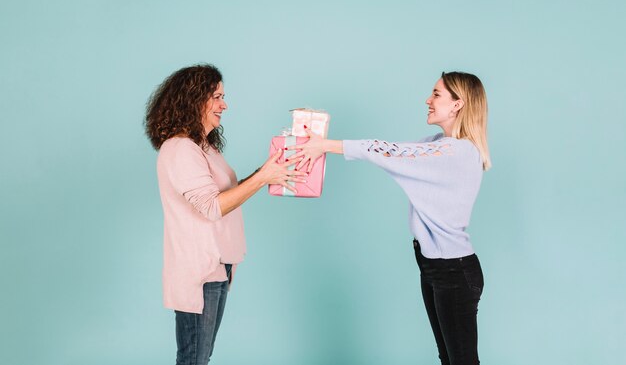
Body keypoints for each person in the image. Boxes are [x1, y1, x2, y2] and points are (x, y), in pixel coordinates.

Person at [290, 71, 491, 365]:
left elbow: (390, 152)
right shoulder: (437, 143)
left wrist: (325, 144)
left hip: (454, 271)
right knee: (449, 358)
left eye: (436, 94)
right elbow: (392, 153)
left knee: (461, 361)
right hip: (435, 267)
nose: (428, 100)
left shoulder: (456, 152)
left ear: (458, 104)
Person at [144, 64, 306, 365]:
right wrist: (262, 178)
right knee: (194, 359)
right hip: (200, 269)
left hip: (217, 265)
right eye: (217, 97)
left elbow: (223, 195)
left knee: (200, 357)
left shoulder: (202, 147)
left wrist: (264, 173)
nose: (224, 105)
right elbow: (212, 207)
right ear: (194, 100)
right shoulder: (180, 149)